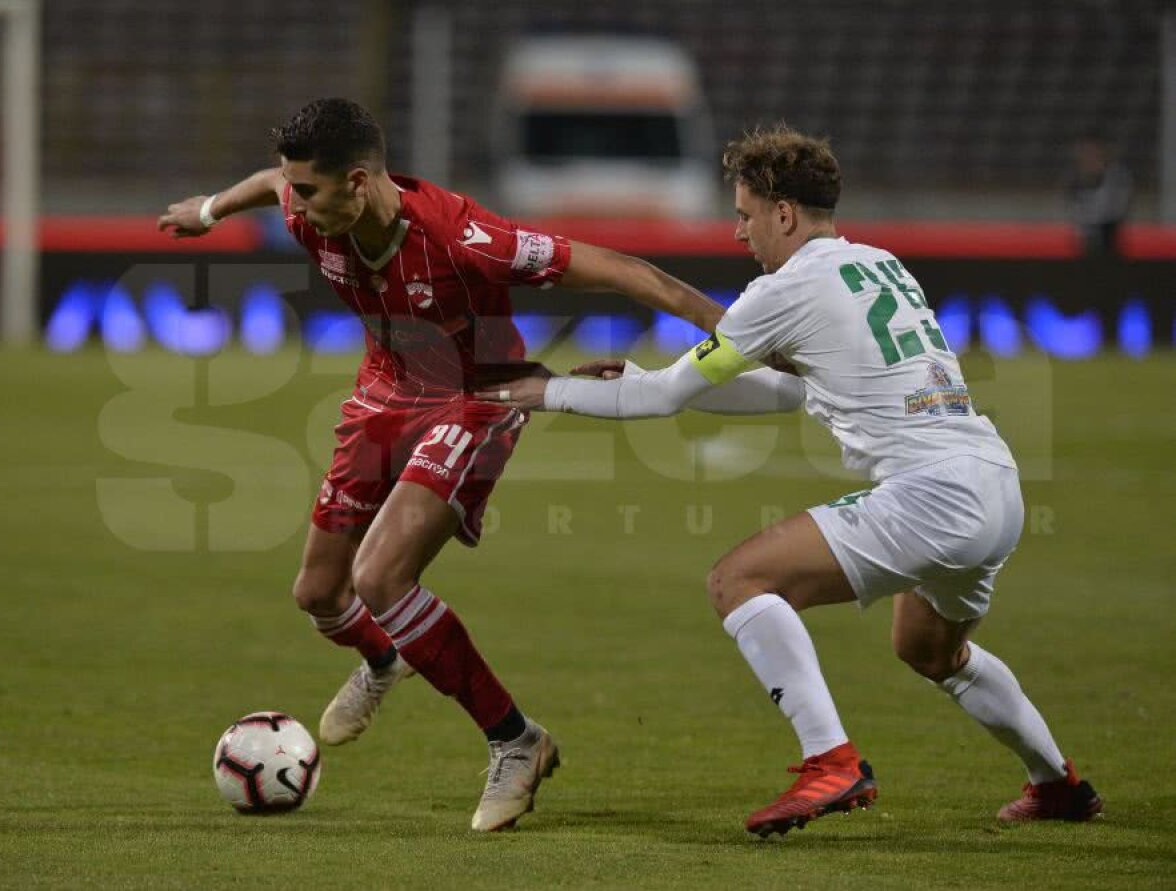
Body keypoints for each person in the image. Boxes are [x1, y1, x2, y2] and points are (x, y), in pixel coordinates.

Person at [481, 125, 1103, 837]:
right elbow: (789, 390)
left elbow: (663, 399)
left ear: (783, 214)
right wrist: (651, 376)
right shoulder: (878, 264)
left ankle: (830, 760)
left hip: (931, 495)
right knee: (929, 649)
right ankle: (1058, 784)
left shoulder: (786, 288)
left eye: (745, 214)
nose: (738, 231)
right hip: (993, 483)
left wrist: (544, 391)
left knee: (738, 580)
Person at [157, 97, 724, 832]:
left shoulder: (463, 238)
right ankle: (385, 659)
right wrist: (210, 209)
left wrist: (727, 328)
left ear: (358, 182)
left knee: (380, 577)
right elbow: (270, 182)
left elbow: (616, 269)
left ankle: (516, 739)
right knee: (320, 592)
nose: (294, 203)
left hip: (476, 395)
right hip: (385, 390)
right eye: (295, 188)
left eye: (309, 190)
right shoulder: (307, 209)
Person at [1065, 136, 1133, 257]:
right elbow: (1073, 208)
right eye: (1085, 154)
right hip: (1087, 235)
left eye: (1092, 153)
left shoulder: (1116, 177)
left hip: (1108, 233)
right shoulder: (1075, 180)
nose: (1089, 158)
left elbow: (1118, 208)